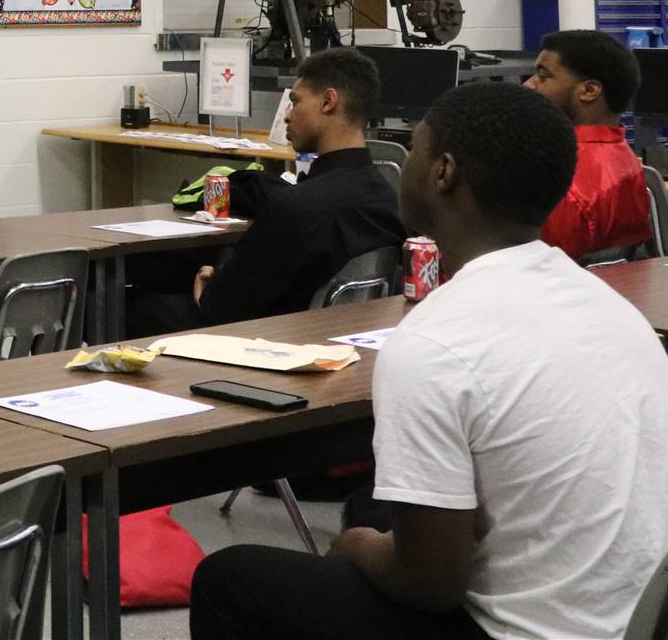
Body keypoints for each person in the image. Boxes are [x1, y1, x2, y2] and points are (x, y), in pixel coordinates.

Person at [190, 82, 668, 640]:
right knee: (373, 504)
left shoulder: (435, 343)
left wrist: (357, 549)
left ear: (442, 172)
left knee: (232, 578)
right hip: (630, 617)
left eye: (413, 148)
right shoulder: (610, 308)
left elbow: (430, 585)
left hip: (522, 631)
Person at [126, 47, 404, 336]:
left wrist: (211, 285)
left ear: (328, 102)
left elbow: (220, 308)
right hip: (339, 341)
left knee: (131, 308)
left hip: (269, 344)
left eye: (295, 102)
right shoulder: (386, 197)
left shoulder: (297, 207)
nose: (287, 115)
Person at [523, 28, 651, 261]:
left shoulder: (563, 186)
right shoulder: (624, 157)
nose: (529, 85)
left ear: (589, 91)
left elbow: (531, 271)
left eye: (543, 76)